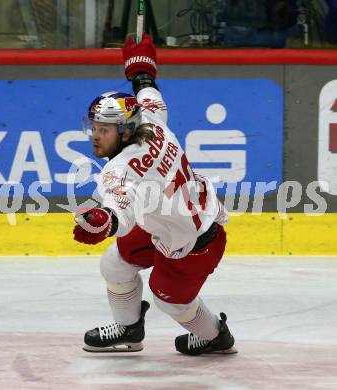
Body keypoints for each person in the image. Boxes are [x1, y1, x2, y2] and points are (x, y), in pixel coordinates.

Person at [73, 33, 236, 356]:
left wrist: (102, 221)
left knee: (167, 298)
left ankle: (215, 336)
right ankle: (129, 331)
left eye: (103, 129)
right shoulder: (151, 120)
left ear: (125, 130)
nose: (95, 136)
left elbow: (122, 212)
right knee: (115, 265)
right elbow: (149, 93)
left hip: (195, 245)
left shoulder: (119, 170)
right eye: (94, 126)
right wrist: (140, 70)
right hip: (172, 223)